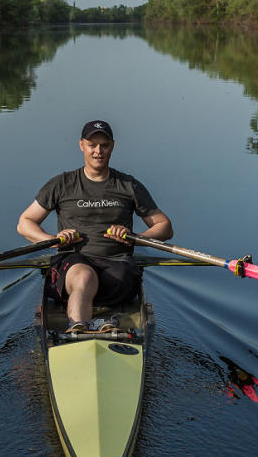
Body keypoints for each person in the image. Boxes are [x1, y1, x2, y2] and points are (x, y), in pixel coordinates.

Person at [17, 120, 173, 332]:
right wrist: (52, 240)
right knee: (84, 276)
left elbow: (164, 227)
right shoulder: (61, 184)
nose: (98, 151)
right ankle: (78, 330)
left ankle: (85, 325)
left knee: (92, 278)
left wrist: (134, 235)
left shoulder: (129, 185)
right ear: (81, 145)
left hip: (117, 266)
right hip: (72, 264)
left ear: (112, 146)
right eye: (92, 145)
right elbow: (25, 223)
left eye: (104, 145)